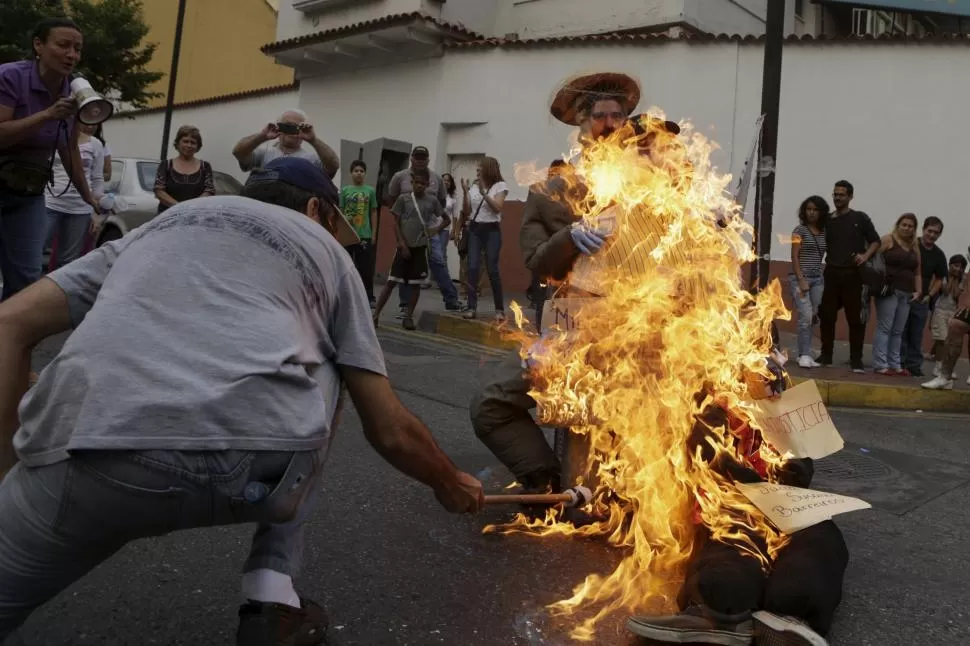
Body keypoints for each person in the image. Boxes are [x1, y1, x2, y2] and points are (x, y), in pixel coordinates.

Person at [0, 156, 483, 645]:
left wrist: (11, 475)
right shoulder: (327, 251)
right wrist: (447, 481)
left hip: (77, 451)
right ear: (316, 208)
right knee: (336, 354)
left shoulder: (163, 224)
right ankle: (271, 595)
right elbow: (389, 427)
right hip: (251, 465)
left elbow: (9, 323)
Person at [469, 71, 641, 493]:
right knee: (490, 406)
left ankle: (626, 495)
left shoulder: (649, 183)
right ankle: (546, 484)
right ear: (580, 123)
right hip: (569, 331)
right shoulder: (549, 190)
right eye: (599, 115)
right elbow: (535, 260)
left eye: (618, 115)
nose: (610, 124)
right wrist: (570, 237)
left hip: (634, 333)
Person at [627, 396, 848, 646]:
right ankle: (719, 615)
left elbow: (801, 471)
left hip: (784, 504)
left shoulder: (783, 411)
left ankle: (790, 621)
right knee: (734, 544)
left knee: (819, 538)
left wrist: (791, 466)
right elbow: (704, 456)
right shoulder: (702, 402)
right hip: (729, 506)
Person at [0, 17, 99, 300]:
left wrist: (88, 197)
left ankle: (8, 339)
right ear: (38, 45)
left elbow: (69, 150)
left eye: (77, 49)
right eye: (63, 45)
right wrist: (46, 115)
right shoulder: (9, 77)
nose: (72, 55)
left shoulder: (75, 92)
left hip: (27, 193)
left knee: (26, 280)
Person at [371, 167, 446, 330]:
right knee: (391, 282)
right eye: (416, 182)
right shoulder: (403, 199)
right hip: (403, 247)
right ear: (412, 183)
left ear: (427, 185)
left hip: (420, 248)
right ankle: (375, 314)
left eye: (422, 183)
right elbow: (395, 222)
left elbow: (445, 219)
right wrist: (401, 243)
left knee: (415, 284)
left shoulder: (432, 201)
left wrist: (435, 230)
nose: (419, 185)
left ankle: (408, 317)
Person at [816, 180, 879, 373]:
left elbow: (875, 241)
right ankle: (826, 355)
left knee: (855, 319)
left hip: (854, 275)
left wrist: (864, 256)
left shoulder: (860, 218)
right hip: (831, 273)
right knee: (826, 316)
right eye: (835, 194)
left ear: (850, 196)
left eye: (841, 195)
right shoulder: (827, 219)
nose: (837, 198)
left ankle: (856, 360)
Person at [385, 146, 449, 316]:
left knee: (437, 260)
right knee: (403, 269)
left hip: (428, 228)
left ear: (428, 159)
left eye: (423, 157)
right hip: (406, 229)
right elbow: (391, 199)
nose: (420, 160)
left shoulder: (436, 178)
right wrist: (402, 220)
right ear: (411, 158)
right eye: (417, 157)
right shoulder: (400, 177)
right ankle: (404, 305)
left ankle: (451, 300)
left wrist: (435, 226)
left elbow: (441, 202)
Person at [44, 120, 105, 269]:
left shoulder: (95, 144)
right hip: (50, 202)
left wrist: (97, 216)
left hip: (80, 208)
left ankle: (57, 292)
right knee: (34, 251)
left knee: (68, 262)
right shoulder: (55, 136)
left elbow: (97, 178)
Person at [459, 156, 509, 321]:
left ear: (489, 168)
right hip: (475, 229)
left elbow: (497, 208)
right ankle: (471, 307)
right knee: (472, 267)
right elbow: (467, 211)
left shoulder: (500, 186)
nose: (477, 170)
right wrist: (466, 192)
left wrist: (483, 193)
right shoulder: (474, 185)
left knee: (492, 269)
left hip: (491, 231)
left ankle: (499, 309)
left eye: (480, 167)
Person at [871, 213, 921, 376]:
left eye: (910, 226)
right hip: (889, 291)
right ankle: (880, 364)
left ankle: (895, 363)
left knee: (898, 330)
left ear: (914, 229)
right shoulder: (888, 240)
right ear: (898, 225)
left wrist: (918, 290)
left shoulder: (914, 246)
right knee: (885, 327)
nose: (907, 228)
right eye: (904, 224)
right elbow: (874, 259)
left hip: (906, 293)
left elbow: (917, 271)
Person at [900, 216, 947, 377]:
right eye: (930, 231)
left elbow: (940, 278)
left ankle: (914, 365)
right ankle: (899, 363)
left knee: (916, 333)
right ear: (923, 230)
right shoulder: (911, 245)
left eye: (936, 233)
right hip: (903, 294)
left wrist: (930, 295)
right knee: (900, 331)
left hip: (921, 300)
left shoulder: (939, 255)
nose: (932, 235)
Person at [232, 109, 339, 179]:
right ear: (278, 127)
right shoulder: (263, 154)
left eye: (296, 127)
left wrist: (313, 140)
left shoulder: (311, 160)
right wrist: (262, 136)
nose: (291, 130)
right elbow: (238, 152)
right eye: (287, 126)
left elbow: (333, 165)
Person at [788, 196, 829, 368]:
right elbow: (794, 256)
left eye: (815, 209)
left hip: (818, 279)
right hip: (801, 278)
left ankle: (806, 352)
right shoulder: (799, 230)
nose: (811, 213)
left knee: (813, 316)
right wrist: (801, 279)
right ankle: (803, 354)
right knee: (805, 315)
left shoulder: (825, 231)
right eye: (808, 209)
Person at [340, 159, 378, 302]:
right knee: (346, 264)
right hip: (348, 234)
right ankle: (346, 294)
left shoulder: (370, 191)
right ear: (351, 173)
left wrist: (374, 233)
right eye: (356, 171)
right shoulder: (344, 190)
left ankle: (368, 296)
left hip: (364, 234)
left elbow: (374, 212)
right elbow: (341, 211)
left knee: (365, 266)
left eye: (361, 171)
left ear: (365, 173)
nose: (359, 173)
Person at [154, 125, 214, 214]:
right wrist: (179, 207)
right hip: (168, 217)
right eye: (185, 141)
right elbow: (159, 191)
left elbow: (209, 191)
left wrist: (192, 208)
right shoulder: (166, 165)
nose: (189, 145)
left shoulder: (205, 167)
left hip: (195, 216)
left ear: (198, 146)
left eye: (193, 142)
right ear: (178, 143)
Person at [928, 254, 967, 380]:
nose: (958, 269)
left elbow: (960, 294)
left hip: (954, 312)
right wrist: (950, 279)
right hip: (940, 310)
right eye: (956, 266)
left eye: (961, 267)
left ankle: (947, 368)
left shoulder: (963, 279)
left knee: (950, 341)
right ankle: (938, 367)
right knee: (942, 339)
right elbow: (942, 290)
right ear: (950, 265)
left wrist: (959, 280)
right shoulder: (943, 275)